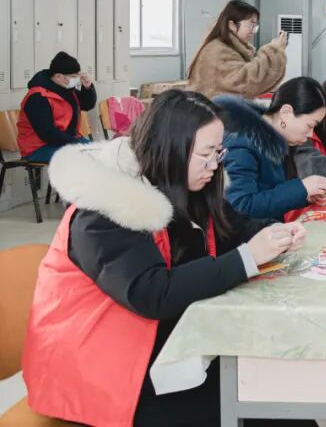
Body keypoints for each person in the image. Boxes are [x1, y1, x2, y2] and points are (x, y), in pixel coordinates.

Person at [22, 90, 306, 427]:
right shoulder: (104, 208)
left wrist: (275, 233)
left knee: (274, 388)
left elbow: (232, 227)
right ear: (170, 148)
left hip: (164, 347)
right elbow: (152, 293)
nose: (215, 165)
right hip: (103, 372)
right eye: (206, 154)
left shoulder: (185, 184)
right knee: (258, 401)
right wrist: (246, 258)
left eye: (218, 152)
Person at [217, 77, 326, 221]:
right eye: (310, 125)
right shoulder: (242, 142)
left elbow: (270, 194)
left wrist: (304, 195)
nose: (310, 134)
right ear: (286, 113)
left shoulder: (276, 140)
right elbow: (241, 207)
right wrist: (300, 189)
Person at [186, 0, 287, 99]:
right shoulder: (218, 51)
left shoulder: (227, 47)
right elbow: (247, 82)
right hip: (215, 109)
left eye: (255, 26)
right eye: (250, 25)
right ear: (232, 25)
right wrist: (273, 51)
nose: (253, 31)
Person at [16, 51, 95, 163]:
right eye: (73, 77)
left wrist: (87, 87)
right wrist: (75, 142)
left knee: (99, 152)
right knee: (82, 157)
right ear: (58, 76)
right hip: (38, 148)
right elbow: (47, 133)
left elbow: (87, 105)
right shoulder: (38, 97)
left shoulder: (67, 90)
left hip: (65, 141)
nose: (76, 80)